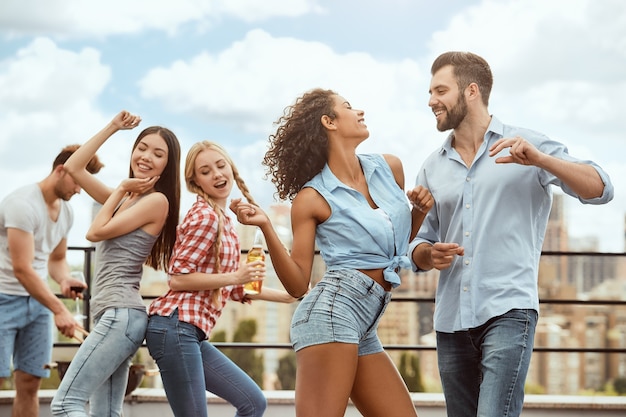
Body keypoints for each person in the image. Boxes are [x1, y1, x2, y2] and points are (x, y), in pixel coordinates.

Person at [409, 51, 614, 417]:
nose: (431, 101)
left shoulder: (527, 145)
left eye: (440, 90)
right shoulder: (432, 167)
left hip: (508, 311)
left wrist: (542, 161)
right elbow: (418, 245)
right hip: (451, 320)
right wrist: (428, 254)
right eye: (430, 92)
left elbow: (601, 189)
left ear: (471, 91)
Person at [231, 88, 433, 417]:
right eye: (349, 107)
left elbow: (390, 250)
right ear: (329, 121)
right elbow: (298, 285)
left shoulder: (389, 168)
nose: (360, 111)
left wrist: (419, 213)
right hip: (331, 315)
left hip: (365, 323)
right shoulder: (311, 198)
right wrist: (267, 226)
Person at [145, 140, 296, 417]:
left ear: (231, 167)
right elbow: (178, 278)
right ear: (195, 181)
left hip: (190, 332)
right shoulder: (205, 217)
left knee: (253, 403)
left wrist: (289, 296)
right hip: (175, 327)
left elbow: (235, 289)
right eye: (205, 171)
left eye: (220, 165)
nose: (216, 174)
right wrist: (237, 274)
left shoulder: (225, 220)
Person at [50, 111, 181, 417]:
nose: (146, 156)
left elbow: (94, 232)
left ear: (167, 165)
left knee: (64, 404)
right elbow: (73, 166)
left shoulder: (155, 201)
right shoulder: (126, 201)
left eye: (158, 153)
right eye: (142, 147)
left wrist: (122, 189)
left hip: (120, 315)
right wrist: (113, 127)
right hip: (117, 316)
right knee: (106, 413)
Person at [0, 144, 102, 417]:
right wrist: (59, 309)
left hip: (38, 303)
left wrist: (65, 279)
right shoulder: (22, 204)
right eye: (78, 181)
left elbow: (56, 259)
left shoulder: (66, 212)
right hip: (3, 298)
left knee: (30, 382)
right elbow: (22, 269)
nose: (80, 190)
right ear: (60, 171)